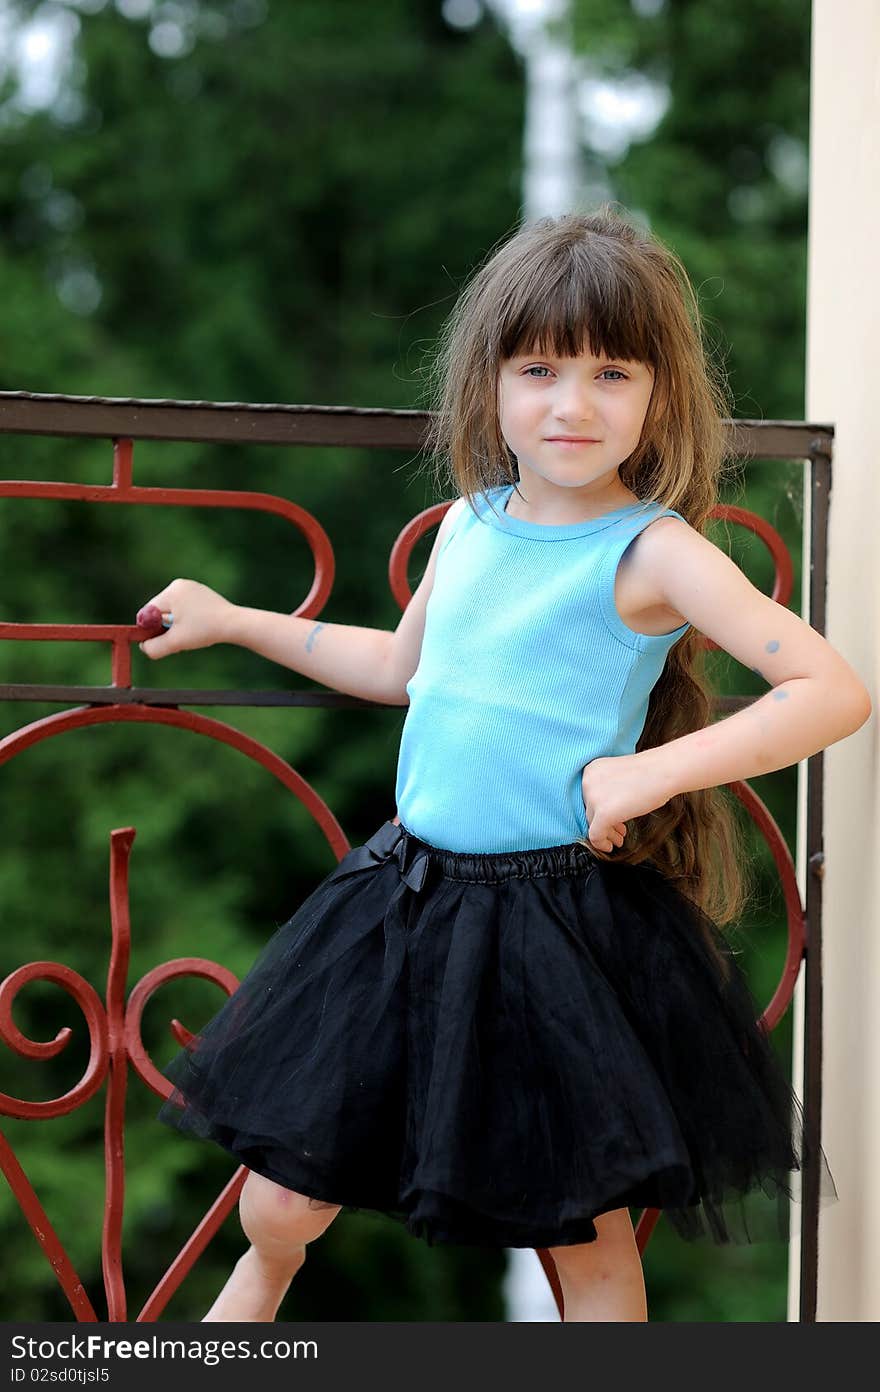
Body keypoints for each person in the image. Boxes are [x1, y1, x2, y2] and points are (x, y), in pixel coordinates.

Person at [140, 207, 865, 1323]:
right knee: (282, 1200)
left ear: (656, 397)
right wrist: (234, 616)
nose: (571, 405)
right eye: (538, 369)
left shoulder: (653, 549)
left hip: (552, 930)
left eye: (610, 373)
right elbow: (395, 666)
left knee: (580, 1238)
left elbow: (830, 691)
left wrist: (650, 775)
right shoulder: (470, 522)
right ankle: (257, 1289)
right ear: (490, 387)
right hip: (401, 900)